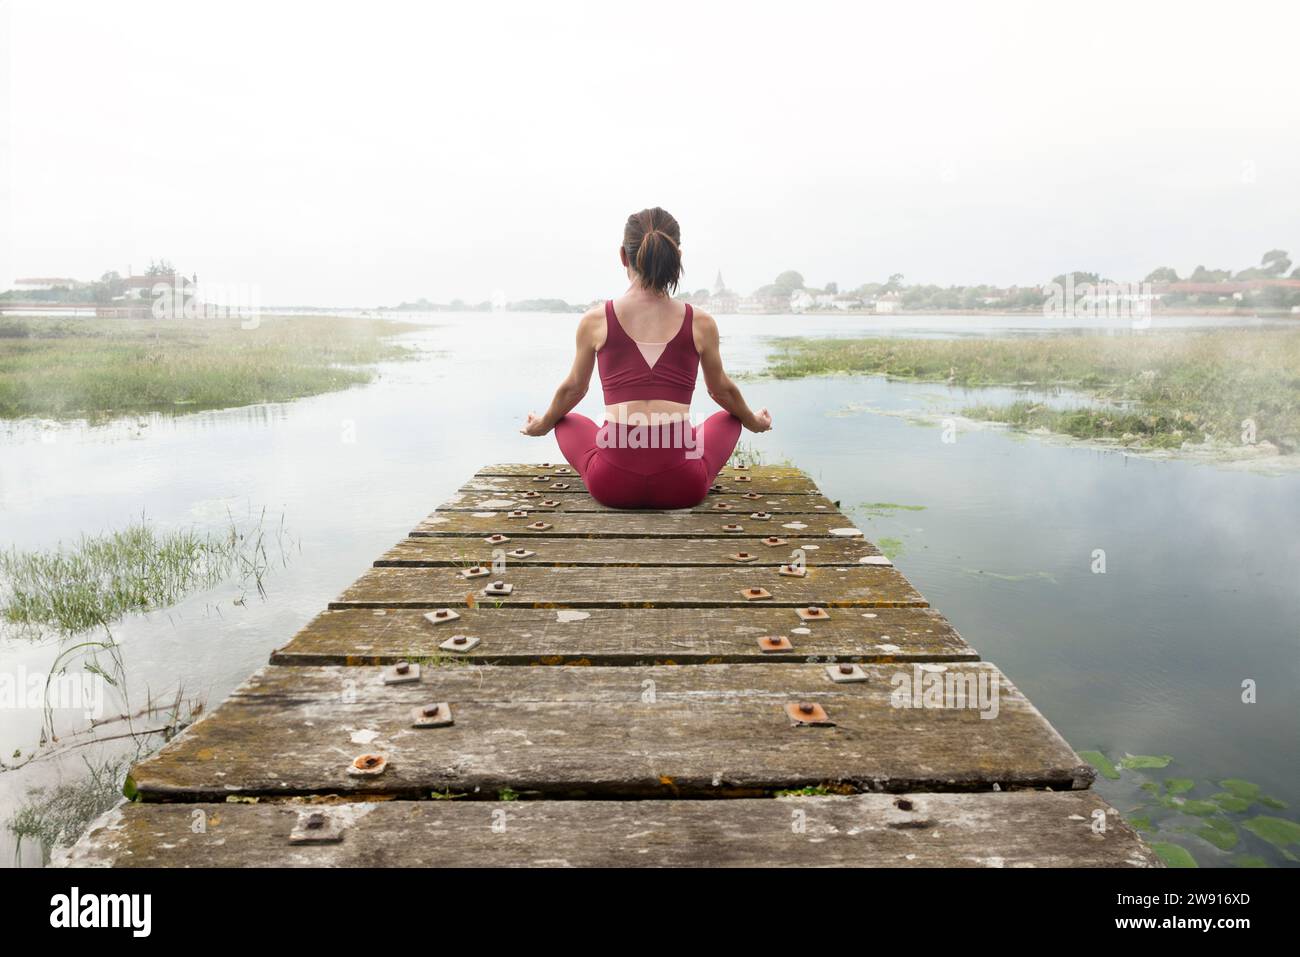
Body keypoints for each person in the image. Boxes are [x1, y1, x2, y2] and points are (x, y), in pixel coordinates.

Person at [520, 206, 772, 508]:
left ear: (623, 257)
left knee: (567, 420)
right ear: (676, 255)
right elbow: (722, 391)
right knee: (729, 419)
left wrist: (544, 423)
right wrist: (753, 422)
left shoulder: (595, 320)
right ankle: (682, 443)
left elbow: (573, 389)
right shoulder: (700, 322)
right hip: (682, 486)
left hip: (613, 486)